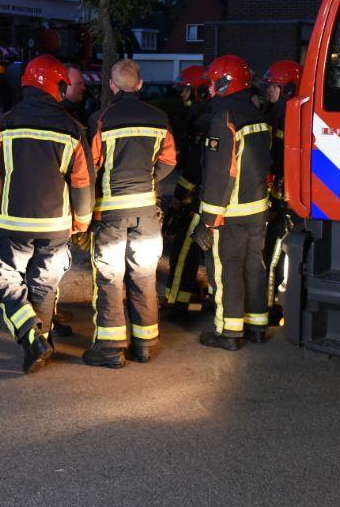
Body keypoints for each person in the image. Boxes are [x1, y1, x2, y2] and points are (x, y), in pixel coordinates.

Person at [0, 54, 94, 374]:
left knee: (4, 280)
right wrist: (82, 221)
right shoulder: (73, 128)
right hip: (56, 226)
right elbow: (82, 182)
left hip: (12, 223)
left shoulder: (6, 123)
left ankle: (31, 337)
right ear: (56, 86)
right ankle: (42, 343)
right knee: (44, 284)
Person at [81, 59, 178, 369]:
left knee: (110, 278)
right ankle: (145, 345)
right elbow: (169, 160)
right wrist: (150, 179)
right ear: (140, 84)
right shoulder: (159, 118)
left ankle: (110, 349)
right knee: (144, 275)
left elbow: (90, 167)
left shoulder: (100, 119)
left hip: (110, 212)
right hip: (147, 211)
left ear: (112, 86)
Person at [192, 55, 273, 351]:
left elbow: (219, 172)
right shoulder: (259, 116)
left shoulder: (224, 118)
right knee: (254, 268)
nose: (211, 89)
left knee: (227, 271)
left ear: (227, 84)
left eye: (214, 83)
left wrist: (208, 220)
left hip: (231, 213)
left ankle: (228, 333)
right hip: (258, 210)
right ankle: (257, 326)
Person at [163, 64, 212, 316]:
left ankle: (176, 304)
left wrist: (177, 200)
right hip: (211, 196)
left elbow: (193, 170)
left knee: (184, 251)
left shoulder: (203, 122)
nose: (182, 95)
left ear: (199, 91)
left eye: (186, 90)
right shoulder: (207, 116)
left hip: (199, 199)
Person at [260, 59, 301, 318]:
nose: (269, 90)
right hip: (277, 195)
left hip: (286, 200)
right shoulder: (277, 114)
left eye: (274, 86)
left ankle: (269, 306)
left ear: (288, 89)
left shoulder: (290, 119)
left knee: (275, 253)